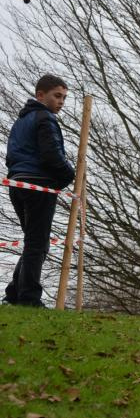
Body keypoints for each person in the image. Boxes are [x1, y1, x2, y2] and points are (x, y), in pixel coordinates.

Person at [3, 74, 75, 307]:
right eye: (57, 96)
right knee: (37, 242)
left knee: (34, 241)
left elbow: (11, 157)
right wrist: (68, 175)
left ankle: (14, 293)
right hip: (39, 184)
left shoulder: (21, 121)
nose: (61, 102)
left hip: (17, 183)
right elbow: (51, 155)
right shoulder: (45, 118)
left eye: (64, 97)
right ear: (40, 95)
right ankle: (29, 298)